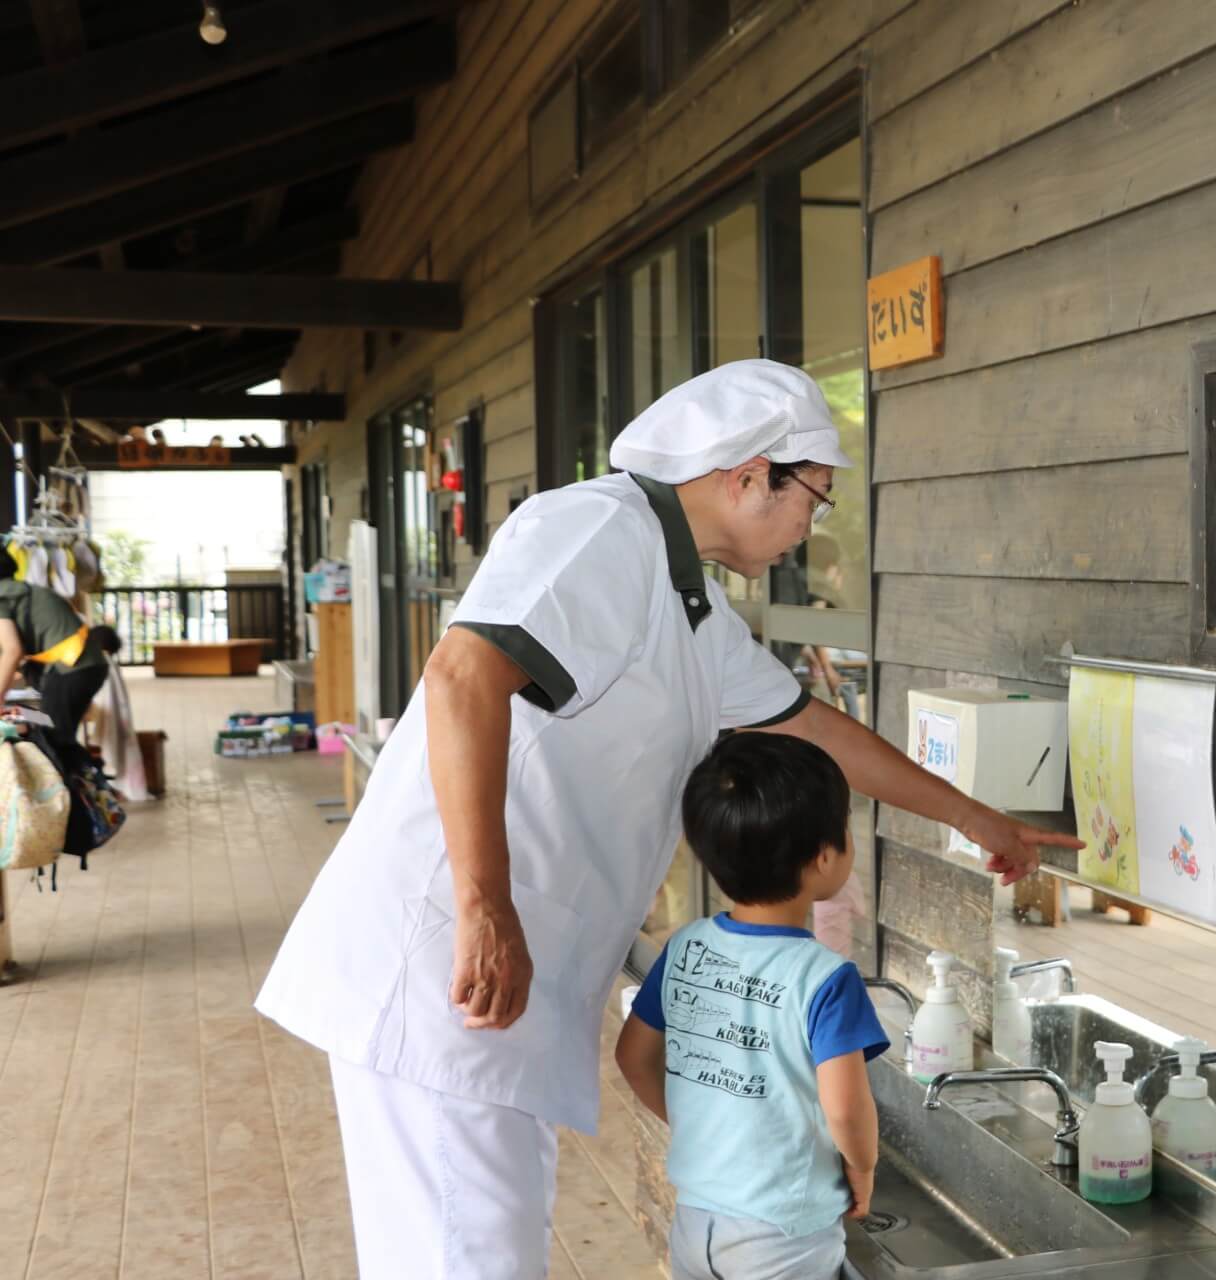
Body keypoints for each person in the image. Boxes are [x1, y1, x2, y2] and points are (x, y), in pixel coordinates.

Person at [254, 360, 1080, 1279]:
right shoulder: (597, 530)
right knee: (460, 1256)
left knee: (483, 1249)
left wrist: (978, 820)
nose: (814, 524)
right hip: (442, 961)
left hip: (497, 980)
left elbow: (808, 724)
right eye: (814, 496)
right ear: (748, 474)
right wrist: (483, 906)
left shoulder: (692, 605)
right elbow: (461, 678)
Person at [618, 733, 886, 1280]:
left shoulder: (686, 948)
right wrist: (863, 1166)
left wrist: (702, 1128)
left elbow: (632, 1057)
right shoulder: (826, 980)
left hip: (695, 1225)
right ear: (824, 856)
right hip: (783, 1239)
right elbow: (845, 1109)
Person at [0, 579, 119, 742]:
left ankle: (83, 767)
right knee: (56, 736)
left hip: (70, 667)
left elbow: (13, 651)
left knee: (53, 738)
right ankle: (81, 766)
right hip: (72, 669)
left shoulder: (5, 596)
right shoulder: (23, 592)